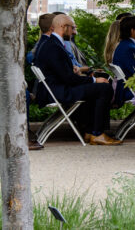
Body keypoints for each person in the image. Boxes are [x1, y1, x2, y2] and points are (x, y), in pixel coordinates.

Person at [33, 14, 120, 145]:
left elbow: (61, 72)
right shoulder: (53, 46)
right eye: (72, 28)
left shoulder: (52, 43)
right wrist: (94, 81)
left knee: (95, 90)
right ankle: (97, 133)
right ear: (63, 27)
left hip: (55, 88)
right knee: (104, 88)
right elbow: (68, 79)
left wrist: (74, 69)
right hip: (59, 92)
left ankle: (90, 132)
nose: (74, 32)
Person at [111, 15, 135, 103]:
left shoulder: (123, 45)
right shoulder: (129, 48)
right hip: (130, 90)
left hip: (125, 89)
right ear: (132, 30)